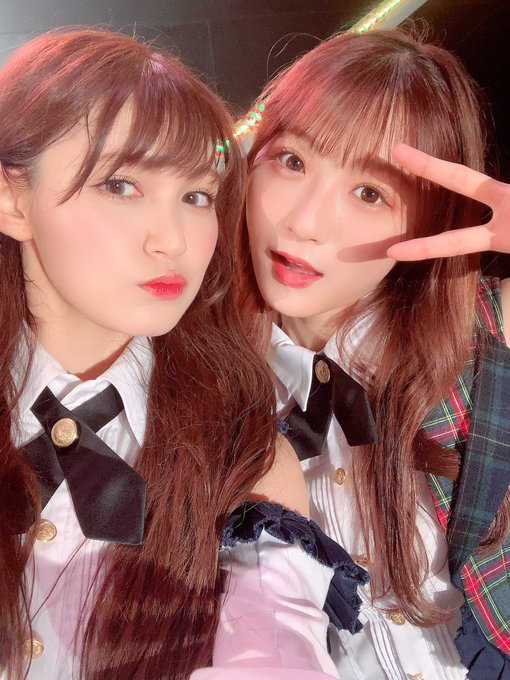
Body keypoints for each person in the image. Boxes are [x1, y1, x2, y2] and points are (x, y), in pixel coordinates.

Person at [0, 26, 324, 680]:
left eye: (197, 196)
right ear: (12, 198)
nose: (173, 240)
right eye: (121, 185)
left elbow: (277, 640)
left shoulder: (247, 456)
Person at [233, 27, 510, 680]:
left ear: (429, 222)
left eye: (369, 193)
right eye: (292, 160)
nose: (305, 222)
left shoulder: (485, 332)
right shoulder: (202, 377)